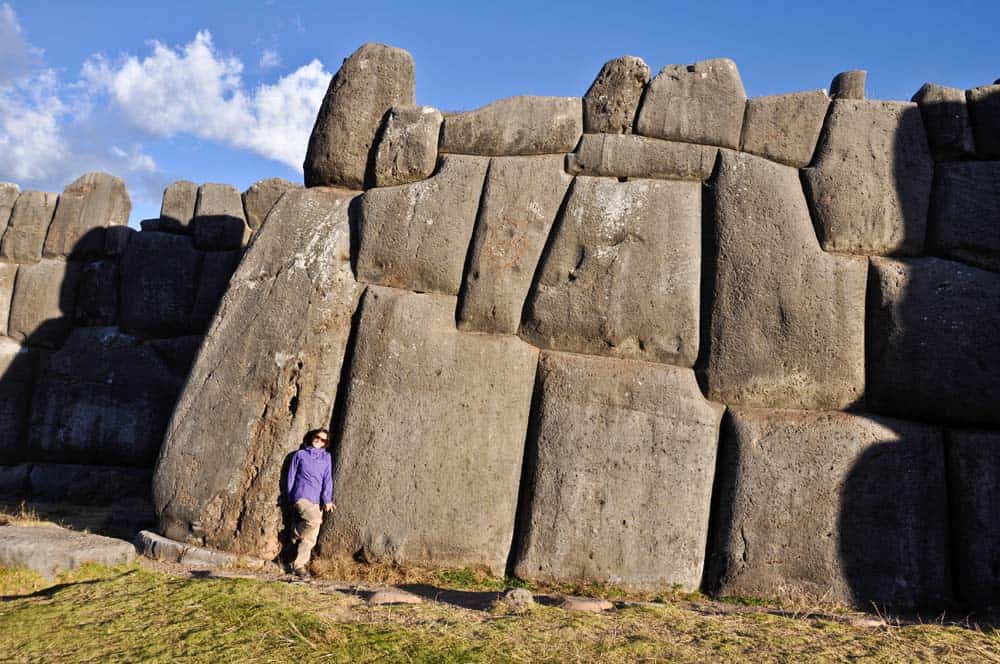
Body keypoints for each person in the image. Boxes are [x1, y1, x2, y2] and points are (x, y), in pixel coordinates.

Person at [286, 428, 334, 578]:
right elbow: (291, 476)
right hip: (301, 496)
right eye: (317, 437)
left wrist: (327, 500)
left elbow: (327, 479)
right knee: (314, 521)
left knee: (311, 536)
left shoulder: (326, 457)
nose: (318, 441)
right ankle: (298, 561)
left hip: (317, 501)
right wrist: (291, 498)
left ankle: (296, 560)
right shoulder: (300, 455)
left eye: (323, 440)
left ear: (326, 443)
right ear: (312, 437)